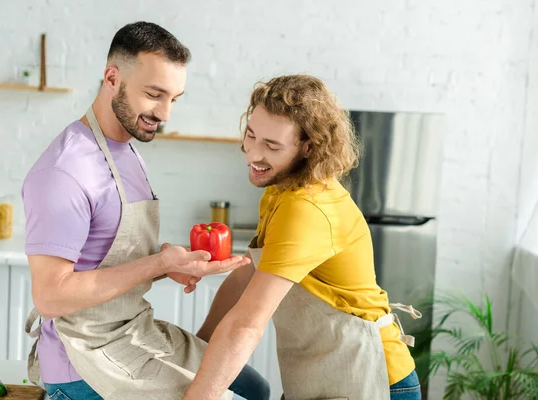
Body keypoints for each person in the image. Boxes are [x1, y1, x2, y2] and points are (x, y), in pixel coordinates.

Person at [22, 21, 270, 400]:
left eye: (174, 98)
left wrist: (169, 263)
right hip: (83, 362)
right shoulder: (65, 171)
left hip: (132, 332)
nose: (165, 113)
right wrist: (155, 265)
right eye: (154, 94)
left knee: (255, 388)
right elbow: (50, 296)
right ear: (111, 78)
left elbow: (105, 259)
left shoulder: (129, 151)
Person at [186, 74, 423, 400]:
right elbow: (247, 275)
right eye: (251, 135)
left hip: (373, 379)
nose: (252, 155)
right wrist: (199, 346)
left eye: (271, 146)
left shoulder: (306, 208)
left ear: (308, 147)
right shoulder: (281, 189)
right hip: (322, 377)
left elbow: (247, 323)